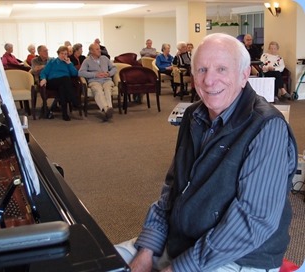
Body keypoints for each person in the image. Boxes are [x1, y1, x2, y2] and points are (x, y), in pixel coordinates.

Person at [115, 33, 297, 272]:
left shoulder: (267, 127)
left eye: (222, 69)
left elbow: (253, 221)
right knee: (99, 262)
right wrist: (147, 248)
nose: (209, 80)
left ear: (244, 75)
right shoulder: (193, 115)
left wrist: (179, 267)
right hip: (181, 240)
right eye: (201, 69)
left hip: (239, 256)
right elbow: (172, 189)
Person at [40, 46, 79, 121]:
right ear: (58, 53)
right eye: (62, 53)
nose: (64, 55)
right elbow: (44, 72)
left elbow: (75, 74)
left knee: (62, 89)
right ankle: (74, 101)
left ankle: (65, 114)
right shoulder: (52, 61)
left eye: (65, 54)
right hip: (53, 82)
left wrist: (69, 64)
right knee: (66, 79)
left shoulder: (68, 63)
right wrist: (43, 78)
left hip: (64, 84)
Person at [79, 42, 117, 121]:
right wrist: (95, 74)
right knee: (98, 91)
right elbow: (81, 72)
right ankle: (107, 109)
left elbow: (114, 68)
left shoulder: (105, 58)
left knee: (107, 90)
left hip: (106, 80)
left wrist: (109, 73)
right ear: (91, 51)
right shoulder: (87, 61)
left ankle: (107, 109)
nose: (100, 50)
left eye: (99, 49)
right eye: (97, 49)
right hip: (95, 81)